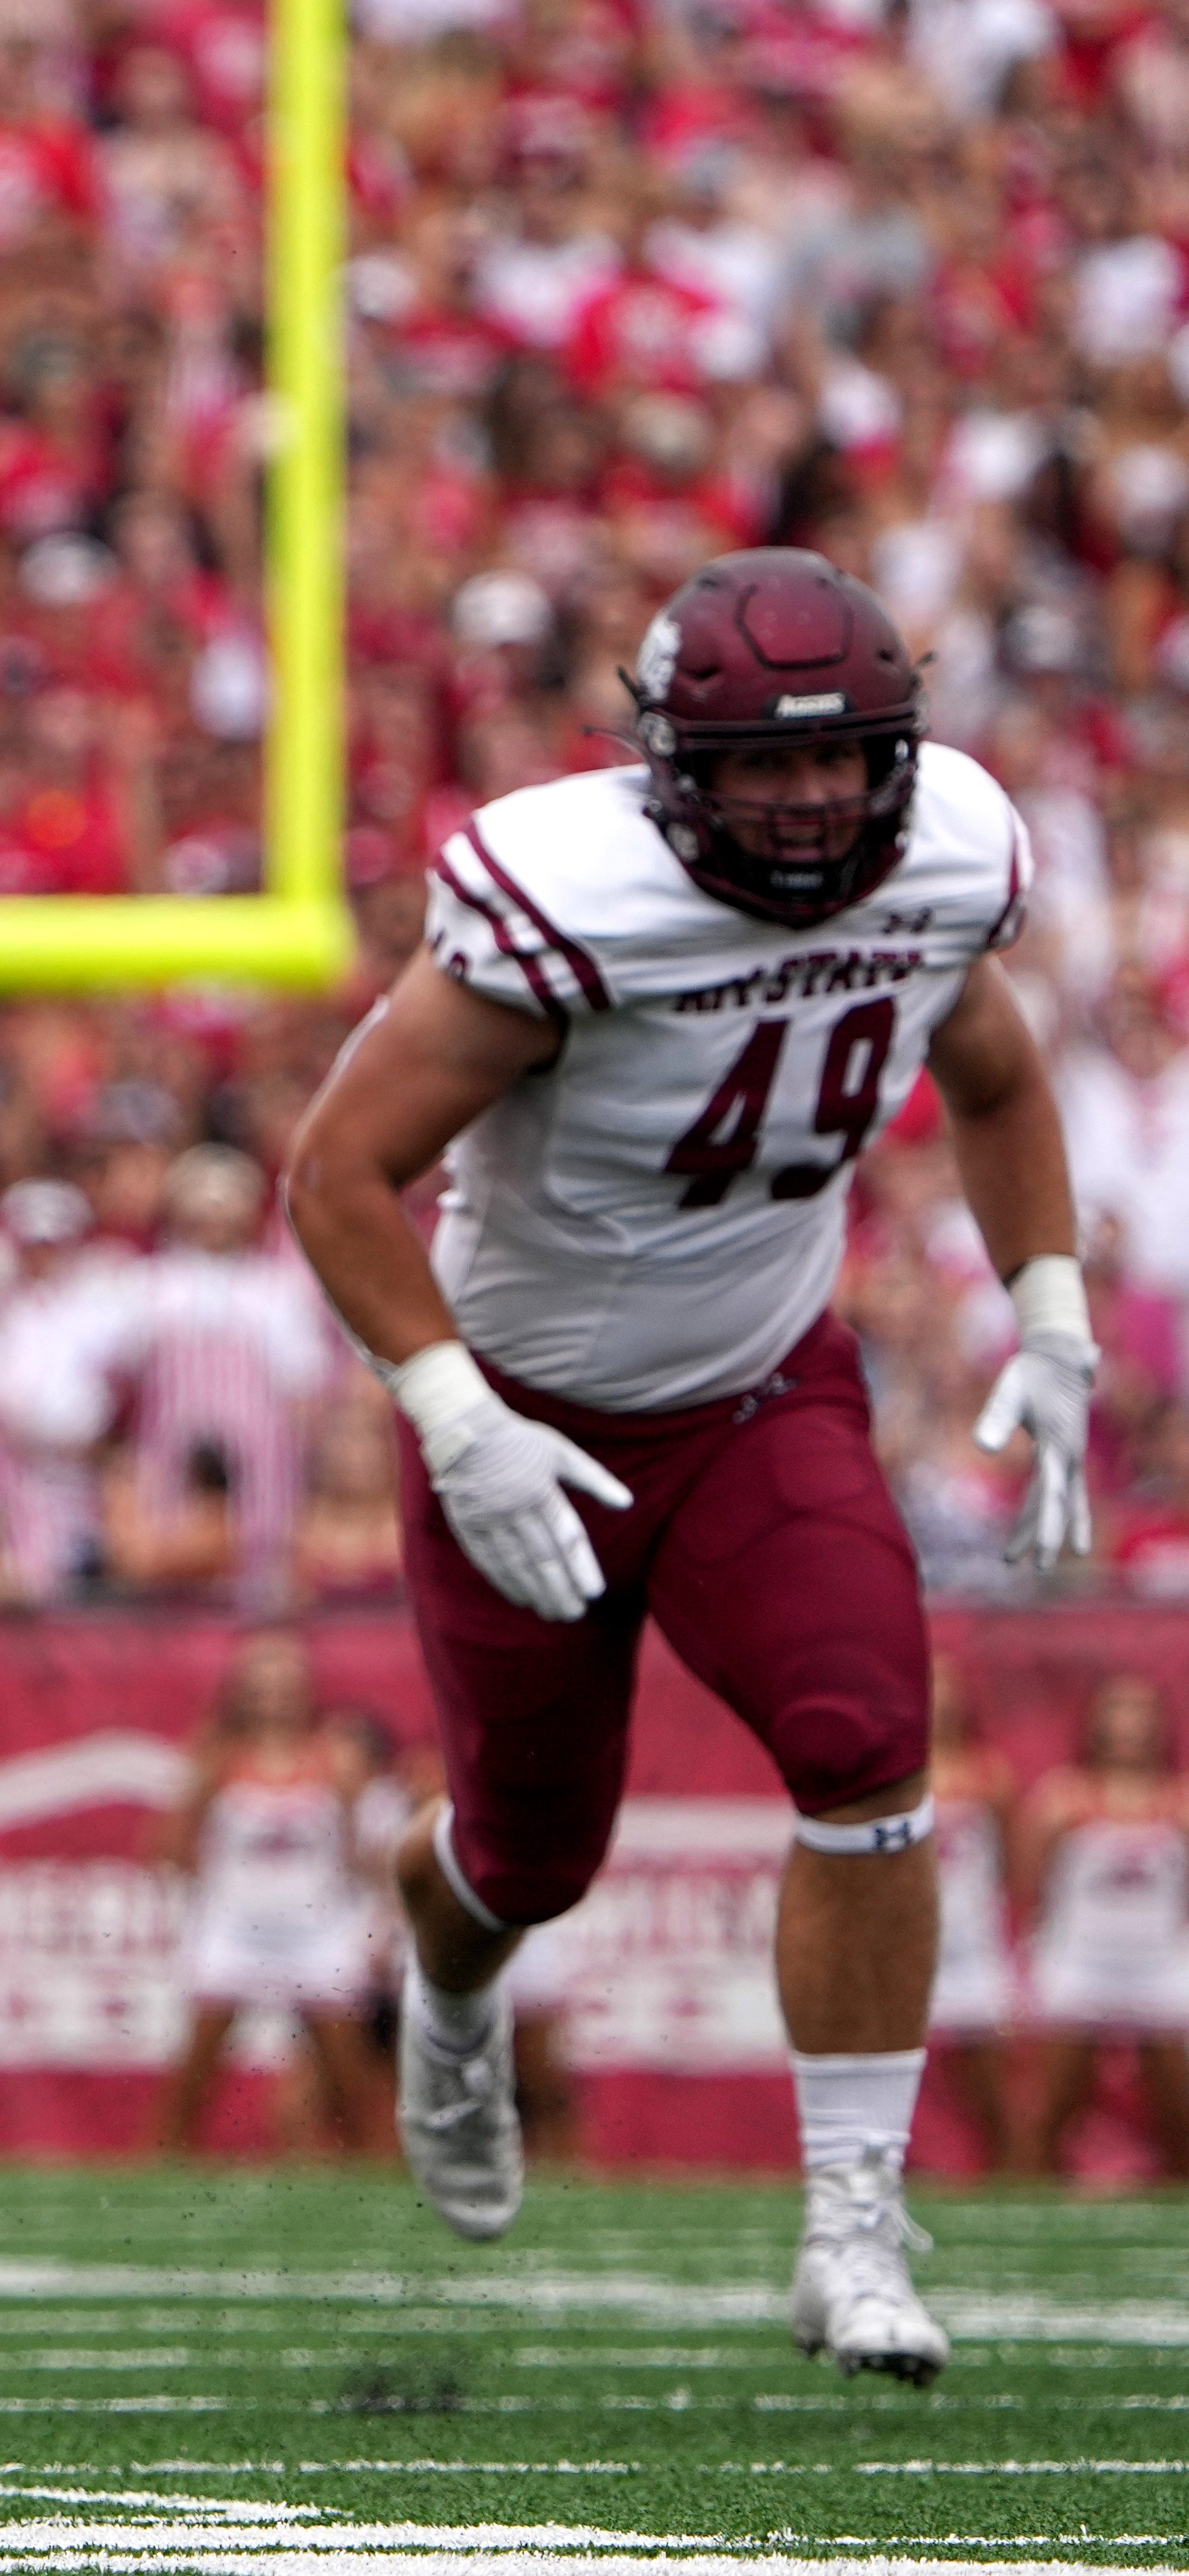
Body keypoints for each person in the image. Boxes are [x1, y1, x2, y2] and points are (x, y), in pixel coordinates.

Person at [285, 549, 1092, 2387]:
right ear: (671, 768)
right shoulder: (565, 904)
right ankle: (450, 1990)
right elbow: (334, 1174)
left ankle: (849, 2221)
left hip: (755, 1389)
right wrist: (450, 1413)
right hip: (527, 1416)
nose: (808, 798)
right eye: (759, 765)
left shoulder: (946, 856)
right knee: (528, 1853)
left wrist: (1044, 1308)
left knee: (861, 1738)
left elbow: (988, 1071)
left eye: (840, 759)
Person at [148, 1631, 382, 2158]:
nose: (273, 1696)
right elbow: (172, 1843)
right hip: (234, 1931)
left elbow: (355, 1852)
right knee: (193, 2075)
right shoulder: (216, 1758)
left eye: (284, 1684)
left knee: (348, 2082)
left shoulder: (333, 1759)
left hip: (315, 1934)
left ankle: (377, 2187)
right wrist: (217, 1897)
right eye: (261, 1684)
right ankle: (160, 2175)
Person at [1012, 1674, 1189, 2176]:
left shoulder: (1180, 1803)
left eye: (1141, 1713)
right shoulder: (1062, 1800)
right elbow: (1030, 1883)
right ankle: (1029, 2208)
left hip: (1161, 1968)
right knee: (1053, 2108)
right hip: (1080, 1965)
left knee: (1180, 2113)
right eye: (1118, 1711)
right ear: (1095, 1722)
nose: (1130, 1726)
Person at [924, 1655, 1020, 2165]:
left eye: (947, 1688)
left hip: (971, 1947)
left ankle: (1007, 2182)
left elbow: (1009, 1864)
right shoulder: (893, 1772)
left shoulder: (990, 1775)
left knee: (989, 2088)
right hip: (903, 1946)